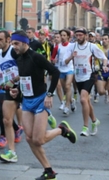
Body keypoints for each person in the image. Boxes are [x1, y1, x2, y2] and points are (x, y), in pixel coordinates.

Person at [10, 30, 76, 180]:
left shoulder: (36, 57)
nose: (14, 46)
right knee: (29, 138)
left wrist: (50, 94)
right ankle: (49, 171)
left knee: (38, 139)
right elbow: (25, 78)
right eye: (12, 43)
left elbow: (55, 72)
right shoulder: (18, 57)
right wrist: (17, 90)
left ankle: (61, 130)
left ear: (25, 43)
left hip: (40, 99)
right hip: (27, 101)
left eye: (16, 43)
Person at [69, 28, 108, 136]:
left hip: (89, 76)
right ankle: (95, 121)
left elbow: (103, 57)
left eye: (81, 35)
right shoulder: (73, 46)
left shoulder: (92, 46)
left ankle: (85, 127)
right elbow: (65, 59)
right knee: (87, 101)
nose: (78, 37)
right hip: (78, 77)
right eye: (77, 35)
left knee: (82, 99)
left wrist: (104, 66)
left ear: (85, 36)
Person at [0, 31, 24, 162]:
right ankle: (12, 152)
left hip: (22, 87)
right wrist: (4, 82)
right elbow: (7, 71)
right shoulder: (0, 54)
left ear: (7, 40)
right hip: (9, 88)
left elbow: (24, 69)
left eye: (0, 39)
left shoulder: (13, 51)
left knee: (34, 127)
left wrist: (14, 80)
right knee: (7, 120)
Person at [54, 29, 76, 115]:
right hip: (61, 69)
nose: (62, 37)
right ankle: (71, 101)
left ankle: (67, 106)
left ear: (68, 36)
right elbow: (52, 58)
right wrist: (53, 60)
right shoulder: (57, 47)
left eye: (64, 35)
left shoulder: (72, 45)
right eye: (61, 35)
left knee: (68, 86)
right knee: (65, 90)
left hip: (70, 69)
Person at [96, 33, 109, 116]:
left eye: (105, 39)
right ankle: (105, 93)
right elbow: (95, 58)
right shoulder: (99, 48)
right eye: (102, 39)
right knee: (100, 91)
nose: (104, 41)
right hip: (101, 71)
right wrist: (96, 65)